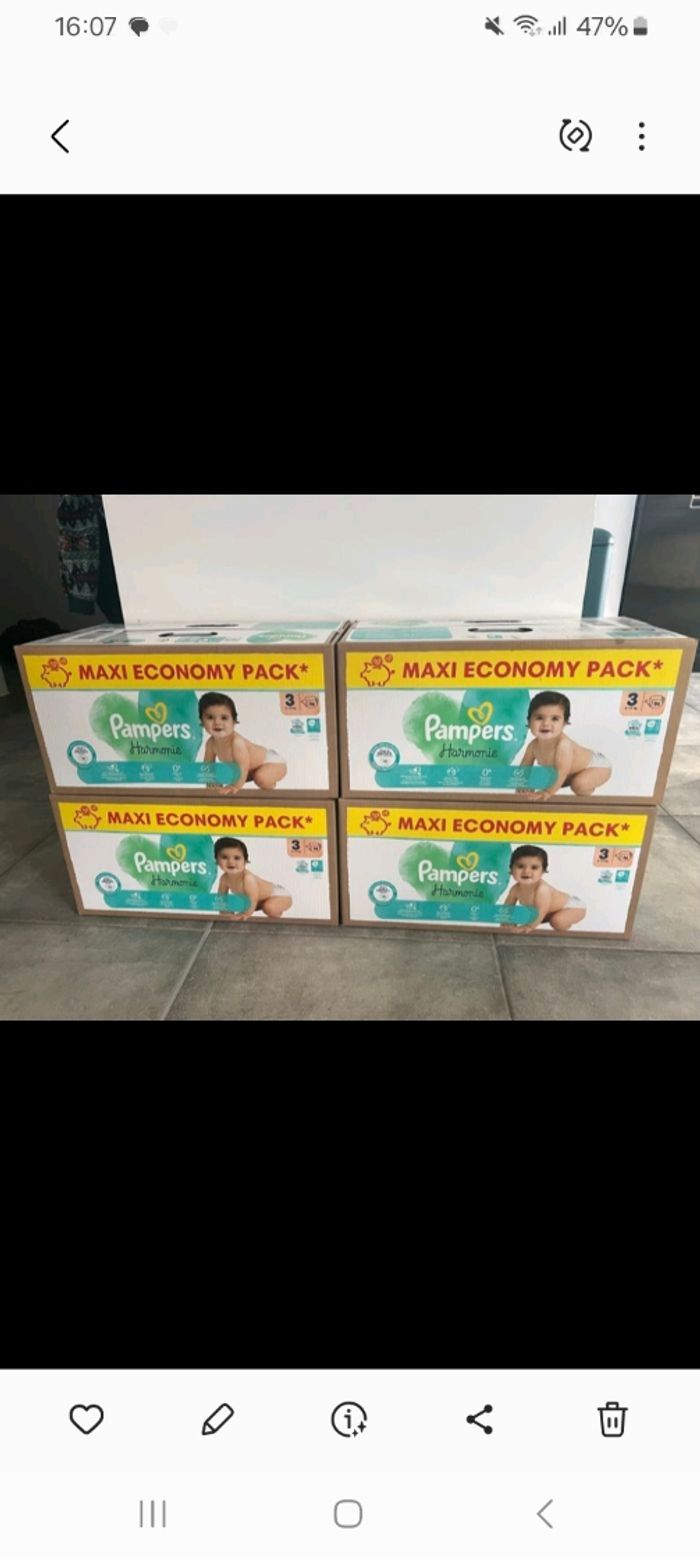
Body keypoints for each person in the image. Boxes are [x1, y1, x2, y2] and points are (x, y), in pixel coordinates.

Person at [517, 692, 611, 799]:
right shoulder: (533, 746)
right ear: (529, 721)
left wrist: (547, 792)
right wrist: (522, 784)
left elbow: (561, 772)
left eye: (554, 719)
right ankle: (569, 780)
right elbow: (524, 767)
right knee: (540, 778)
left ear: (564, 723)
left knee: (579, 785)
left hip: (596, 766)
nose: (546, 723)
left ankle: (588, 786)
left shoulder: (563, 745)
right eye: (539, 718)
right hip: (567, 773)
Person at [198, 692, 287, 793]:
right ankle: (252, 776)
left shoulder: (237, 743)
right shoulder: (211, 743)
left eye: (224, 718)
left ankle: (271, 784)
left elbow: (243, 768)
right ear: (202, 721)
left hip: (270, 763)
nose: (217, 723)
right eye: (210, 717)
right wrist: (210, 781)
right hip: (248, 770)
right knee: (224, 774)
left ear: (234, 721)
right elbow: (208, 765)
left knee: (261, 778)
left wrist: (234, 787)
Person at [502, 846, 586, 934]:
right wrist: (505, 921)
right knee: (519, 915)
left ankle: (565, 925)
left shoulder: (542, 889)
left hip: (571, 907)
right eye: (520, 866)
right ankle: (548, 918)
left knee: (557, 921)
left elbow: (540, 911)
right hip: (546, 912)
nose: (526, 871)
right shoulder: (515, 889)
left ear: (543, 871)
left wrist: (528, 927)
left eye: (534, 867)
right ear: (511, 869)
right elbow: (507, 907)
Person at [214, 837, 293, 920]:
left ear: (245, 861)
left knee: (269, 908)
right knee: (234, 903)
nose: (231, 862)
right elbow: (221, 898)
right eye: (224, 857)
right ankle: (260, 906)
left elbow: (252, 899)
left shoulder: (248, 878)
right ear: (217, 860)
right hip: (257, 901)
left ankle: (277, 914)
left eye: (236, 858)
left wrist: (245, 914)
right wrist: (224, 912)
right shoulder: (224, 878)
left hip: (279, 895)